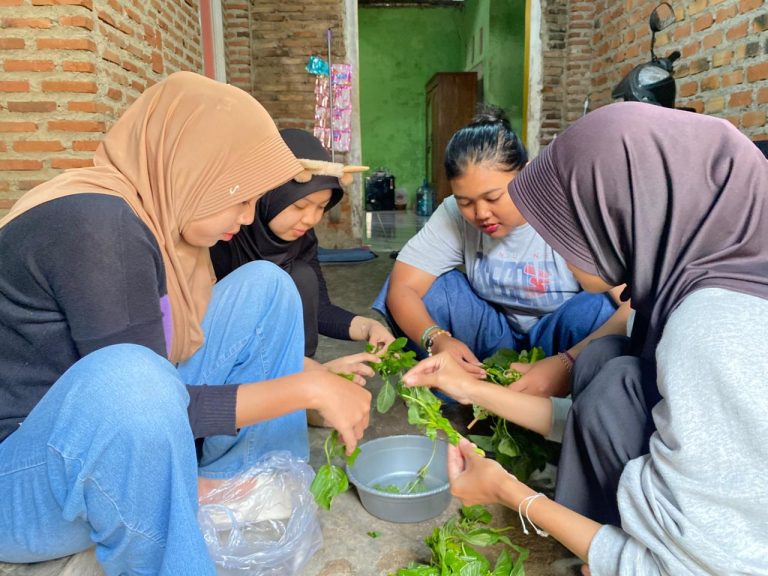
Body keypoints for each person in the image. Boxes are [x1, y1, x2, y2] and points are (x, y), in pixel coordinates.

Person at [0, 72, 372, 575]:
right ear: (191, 168)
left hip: (97, 432)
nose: (246, 217)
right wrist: (306, 389)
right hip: (25, 478)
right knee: (136, 380)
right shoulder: (100, 228)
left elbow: (160, 366)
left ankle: (257, 483)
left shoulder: (153, 214)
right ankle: (195, 513)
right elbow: (144, 400)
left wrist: (310, 375)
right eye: (240, 197)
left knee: (266, 284)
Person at [403, 101, 768, 575]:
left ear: (624, 212)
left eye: (568, 226)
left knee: (603, 358)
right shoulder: (699, 276)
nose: (555, 244)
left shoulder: (713, 331)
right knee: (609, 366)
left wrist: (512, 494)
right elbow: (588, 414)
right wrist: (471, 389)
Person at [374, 106, 629, 391]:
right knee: (434, 290)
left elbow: (633, 305)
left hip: (562, 335)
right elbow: (402, 289)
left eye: (493, 197)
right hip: (493, 336)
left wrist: (567, 361)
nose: (480, 213)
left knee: (601, 307)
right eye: (465, 201)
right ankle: (464, 393)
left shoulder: (569, 208)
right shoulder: (453, 215)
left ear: (528, 173)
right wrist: (437, 339)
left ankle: (567, 403)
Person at [210, 128, 395, 373]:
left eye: (321, 207)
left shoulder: (302, 237)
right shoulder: (225, 234)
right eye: (300, 205)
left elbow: (318, 309)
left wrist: (368, 326)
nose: (311, 219)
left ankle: (296, 378)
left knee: (302, 277)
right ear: (270, 194)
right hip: (219, 355)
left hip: (281, 359)